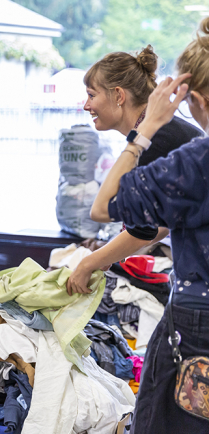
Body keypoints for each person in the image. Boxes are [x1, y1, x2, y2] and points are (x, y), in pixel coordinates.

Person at [89, 18, 209, 433]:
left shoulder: (182, 149)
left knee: (159, 415)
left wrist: (144, 132)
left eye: (91, 94)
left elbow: (114, 211)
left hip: (197, 313)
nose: (85, 105)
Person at [66, 45, 203, 296]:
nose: (86, 105)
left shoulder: (154, 139)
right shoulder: (162, 133)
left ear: (119, 95)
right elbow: (161, 219)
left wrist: (90, 262)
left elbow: (127, 222)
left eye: (91, 95)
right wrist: (110, 252)